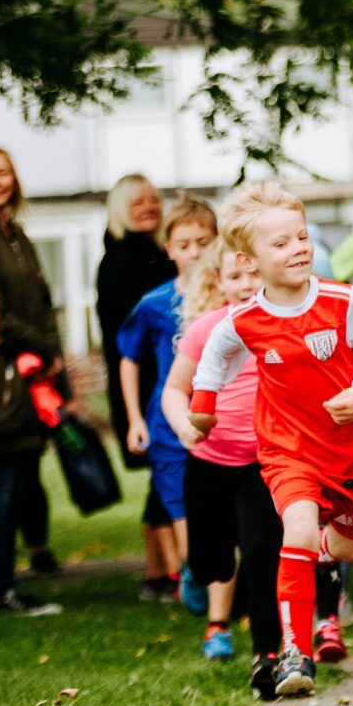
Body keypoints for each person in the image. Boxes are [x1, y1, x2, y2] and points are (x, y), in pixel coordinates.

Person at [190, 184, 353, 699]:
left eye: (302, 237)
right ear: (251, 260)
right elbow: (214, 356)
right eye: (281, 244)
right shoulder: (244, 319)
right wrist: (203, 405)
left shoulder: (343, 302)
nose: (298, 249)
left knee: (345, 547)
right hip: (286, 449)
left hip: (345, 448)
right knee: (297, 530)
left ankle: (309, 567)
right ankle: (294, 653)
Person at [0, 149, 64, 616]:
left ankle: (4, 583)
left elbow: (43, 300)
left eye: (3, 172)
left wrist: (53, 350)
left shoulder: (17, 235)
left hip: (31, 377)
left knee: (21, 479)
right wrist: (42, 348)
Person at [163, 247, 269, 666]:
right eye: (235, 277)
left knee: (261, 548)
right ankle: (200, 581)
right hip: (211, 458)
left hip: (264, 461)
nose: (246, 286)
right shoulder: (206, 329)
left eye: (254, 275)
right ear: (219, 283)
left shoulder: (282, 328)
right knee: (210, 559)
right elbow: (173, 390)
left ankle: (252, 640)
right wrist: (184, 426)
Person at [115, 199, 217, 608]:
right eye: (185, 244)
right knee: (182, 513)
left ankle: (221, 586)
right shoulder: (154, 304)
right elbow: (129, 358)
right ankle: (193, 572)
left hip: (220, 424)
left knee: (221, 512)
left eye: (203, 242)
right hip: (168, 429)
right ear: (169, 248)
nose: (194, 253)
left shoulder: (229, 299)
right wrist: (135, 419)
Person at [97, 174, 174, 471]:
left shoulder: (159, 254)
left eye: (153, 200)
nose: (148, 207)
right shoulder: (119, 262)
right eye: (138, 202)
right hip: (142, 378)